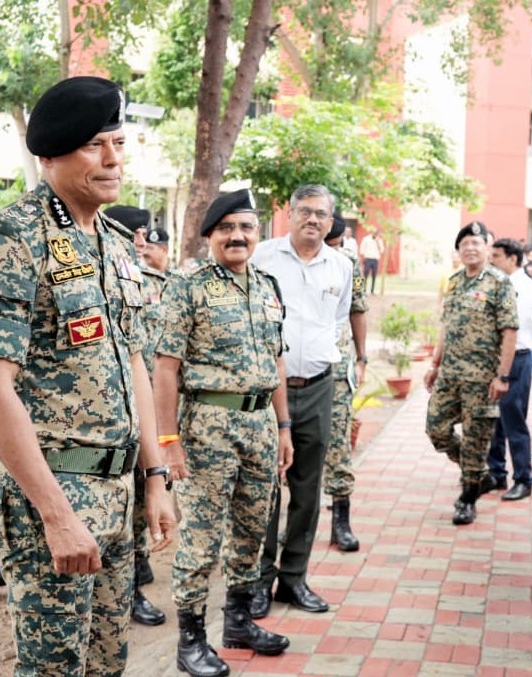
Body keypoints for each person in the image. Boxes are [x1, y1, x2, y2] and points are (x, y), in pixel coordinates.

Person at [0, 75, 177, 676]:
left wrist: (155, 478)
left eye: (119, 142)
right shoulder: (8, 242)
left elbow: (133, 359)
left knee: (107, 665)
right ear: (50, 154)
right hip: (54, 498)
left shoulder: (113, 243)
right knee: (54, 670)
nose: (112, 160)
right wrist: (56, 515)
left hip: (117, 495)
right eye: (93, 146)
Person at [155, 189, 294, 676]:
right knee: (201, 537)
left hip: (259, 424)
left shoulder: (267, 285)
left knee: (253, 529)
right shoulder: (187, 285)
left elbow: (277, 360)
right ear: (211, 234)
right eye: (227, 228)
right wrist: (168, 442)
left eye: (247, 227)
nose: (238, 236)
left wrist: (283, 426)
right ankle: (190, 639)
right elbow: (165, 369)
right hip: (208, 428)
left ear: (259, 234)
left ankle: (237, 621)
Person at [251, 184, 354, 615]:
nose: (313, 220)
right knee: (265, 486)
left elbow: (340, 318)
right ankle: (258, 581)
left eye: (322, 214)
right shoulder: (263, 257)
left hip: (318, 386)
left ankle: (294, 579)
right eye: (305, 212)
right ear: (289, 214)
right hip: (265, 390)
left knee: (308, 490)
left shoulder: (342, 266)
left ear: (331, 222)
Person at [424, 222, 519, 525]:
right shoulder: (453, 282)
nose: (470, 248)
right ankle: (479, 474)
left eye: (476, 243)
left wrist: (502, 376)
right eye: (464, 244)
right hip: (450, 374)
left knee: (476, 440)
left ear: (488, 248)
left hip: (481, 379)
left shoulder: (499, 283)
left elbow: (510, 331)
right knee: (436, 429)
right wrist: (434, 364)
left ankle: (468, 497)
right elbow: (446, 326)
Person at [106, 206, 171, 628]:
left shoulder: (153, 282)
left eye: (146, 234)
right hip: (107, 411)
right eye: (136, 234)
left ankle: (134, 584)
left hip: (144, 406)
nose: (143, 241)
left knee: (143, 497)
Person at [322, 212, 370, 552]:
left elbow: (358, 309)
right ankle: (297, 522)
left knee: (338, 445)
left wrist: (362, 356)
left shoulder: (347, 263)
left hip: (336, 370)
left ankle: (341, 521)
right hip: (293, 373)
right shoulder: (283, 262)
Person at [488, 237, 532, 500]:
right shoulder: (507, 283)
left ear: (512, 258)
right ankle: (496, 473)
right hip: (502, 357)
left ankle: (523, 478)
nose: (492, 260)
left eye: (497, 256)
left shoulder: (520, 286)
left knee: (514, 419)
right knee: (495, 419)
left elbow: (511, 328)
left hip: (516, 358)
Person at [359, 228, 384, 295]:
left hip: (375, 259)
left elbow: (381, 250)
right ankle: (363, 290)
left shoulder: (379, 240)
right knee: (365, 275)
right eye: (374, 233)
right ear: (371, 233)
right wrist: (363, 257)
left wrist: (377, 242)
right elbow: (362, 249)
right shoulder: (366, 239)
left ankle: (372, 291)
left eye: (376, 233)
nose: (375, 234)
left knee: (374, 275)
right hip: (368, 258)